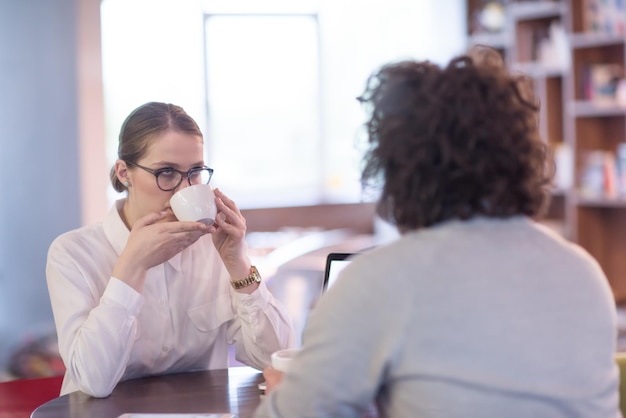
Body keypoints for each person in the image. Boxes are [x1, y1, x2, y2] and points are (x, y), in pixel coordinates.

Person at [254, 47, 621, 417]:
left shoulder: (383, 278)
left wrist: (281, 395)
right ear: (522, 156)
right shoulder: (583, 272)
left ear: (397, 166)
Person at [46, 102, 296, 398]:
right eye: (166, 173)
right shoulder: (73, 254)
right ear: (124, 172)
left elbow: (276, 360)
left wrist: (237, 262)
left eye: (195, 173)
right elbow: (93, 381)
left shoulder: (213, 248)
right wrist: (133, 266)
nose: (183, 189)